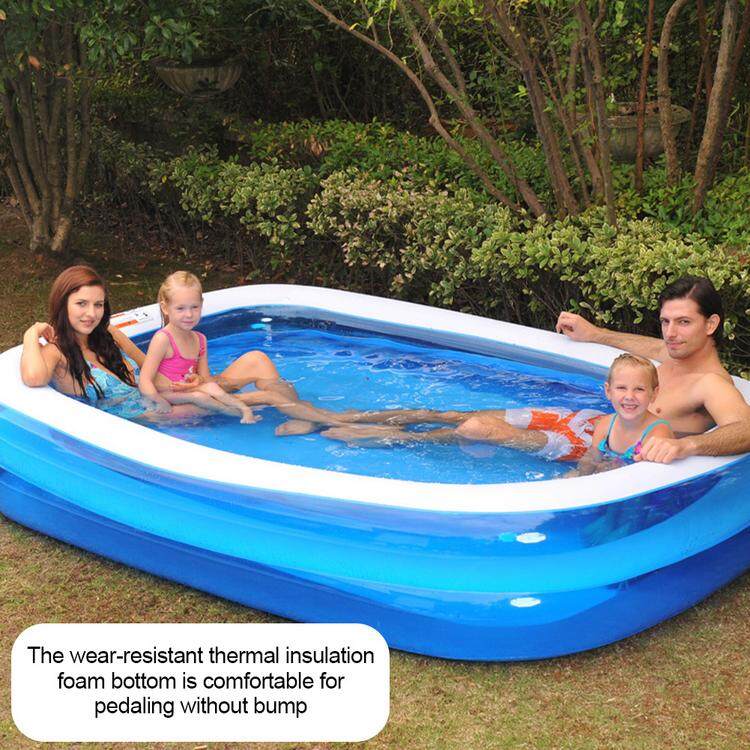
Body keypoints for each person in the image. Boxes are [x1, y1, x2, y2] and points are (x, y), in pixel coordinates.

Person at [314, 276, 750, 464]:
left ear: (711, 324)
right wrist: (595, 333)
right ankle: (340, 417)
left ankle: (385, 439)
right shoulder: (672, 353)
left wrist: (687, 446)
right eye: (666, 321)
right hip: (585, 421)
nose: (671, 333)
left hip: (589, 447)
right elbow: (644, 345)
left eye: (684, 322)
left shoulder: (711, 384)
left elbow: (745, 430)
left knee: (475, 429)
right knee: (449, 413)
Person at [20, 265, 348, 426]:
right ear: (62, 303)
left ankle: (304, 417)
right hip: (151, 414)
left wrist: (193, 382)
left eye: (98, 304)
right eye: (81, 304)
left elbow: (150, 368)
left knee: (257, 359)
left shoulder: (109, 335)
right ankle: (339, 423)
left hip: (167, 393)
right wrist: (31, 333)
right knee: (265, 397)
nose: (91, 313)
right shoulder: (56, 352)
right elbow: (33, 377)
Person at [138, 271, 258, 423]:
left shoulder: (200, 339)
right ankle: (236, 415)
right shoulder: (163, 339)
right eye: (180, 308)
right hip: (165, 394)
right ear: (165, 308)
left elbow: (206, 379)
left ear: (201, 304)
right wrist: (159, 401)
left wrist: (197, 380)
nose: (189, 314)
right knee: (200, 397)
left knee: (211, 388)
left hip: (187, 391)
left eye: (194, 307)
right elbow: (144, 380)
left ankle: (244, 410)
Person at [568, 353, 673, 477]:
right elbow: (590, 460)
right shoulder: (605, 425)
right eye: (621, 388)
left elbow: (651, 477)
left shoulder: (657, 434)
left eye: (639, 389)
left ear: (654, 394)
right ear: (608, 391)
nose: (629, 396)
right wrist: (579, 476)